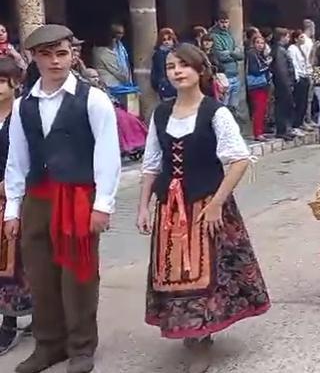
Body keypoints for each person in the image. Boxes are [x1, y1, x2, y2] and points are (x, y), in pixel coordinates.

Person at [136, 44, 269, 373]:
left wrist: (216, 204)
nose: (177, 71)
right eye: (171, 66)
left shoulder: (215, 112)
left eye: (184, 65)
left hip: (207, 202)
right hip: (171, 206)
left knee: (207, 270)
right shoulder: (161, 113)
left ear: (200, 71)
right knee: (174, 270)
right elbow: (152, 164)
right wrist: (142, 207)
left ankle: (202, 335)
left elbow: (238, 160)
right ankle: (188, 331)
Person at [4, 24, 121, 373]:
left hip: (78, 197)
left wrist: (103, 204)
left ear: (73, 55)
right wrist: (13, 208)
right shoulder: (24, 104)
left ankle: (81, 347)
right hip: (38, 198)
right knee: (40, 276)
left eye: (62, 53)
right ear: (32, 58)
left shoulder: (93, 99)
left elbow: (107, 154)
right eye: (46, 54)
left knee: (78, 275)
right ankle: (49, 345)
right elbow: (16, 160)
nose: (55, 61)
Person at [0, 57, 33, 355]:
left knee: (19, 261)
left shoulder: (23, 114)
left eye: (1, 81)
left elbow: (29, 157)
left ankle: (13, 320)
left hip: (18, 197)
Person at [209, 13, 244, 114]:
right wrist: (233, 53)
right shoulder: (214, 36)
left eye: (226, 22)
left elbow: (241, 55)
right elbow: (220, 56)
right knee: (223, 107)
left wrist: (230, 52)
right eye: (222, 22)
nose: (224, 25)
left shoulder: (230, 35)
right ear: (217, 22)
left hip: (235, 75)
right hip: (224, 76)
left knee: (234, 107)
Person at [269, 28, 297, 140]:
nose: (288, 39)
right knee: (282, 106)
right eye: (287, 37)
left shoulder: (280, 49)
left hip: (284, 82)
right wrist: (287, 83)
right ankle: (282, 130)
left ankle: (285, 129)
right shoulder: (279, 51)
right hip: (283, 84)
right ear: (282, 37)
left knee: (285, 106)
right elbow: (282, 69)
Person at [245, 34, 272, 141]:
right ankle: (257, 133)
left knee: (263, 109)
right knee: (259, 109)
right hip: (256, 85)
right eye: (258, 43)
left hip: (263, 84)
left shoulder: (260, 54)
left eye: (262, 43)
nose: (260, 45)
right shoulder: (252, 54)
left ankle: (260, 131)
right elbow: (255, 70)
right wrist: (267, 65)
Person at [289, 30, 314, 136]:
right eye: (301, 37)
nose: (303, 39)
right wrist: (296, 77)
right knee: (298, 101)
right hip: (298, 76)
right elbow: (294, 63)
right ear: (295, 39)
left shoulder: (302, 48)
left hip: (305, 75)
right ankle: (295, 124)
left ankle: (302, 121)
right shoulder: (292, 49)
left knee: (304, 101)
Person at [151, 28, 178, 102]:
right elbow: (158, 72)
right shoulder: (159, 54)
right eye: (164, 40)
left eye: (169, 39)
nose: (166, 42)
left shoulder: (178, 52)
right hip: (166, 88)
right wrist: (162, 84)